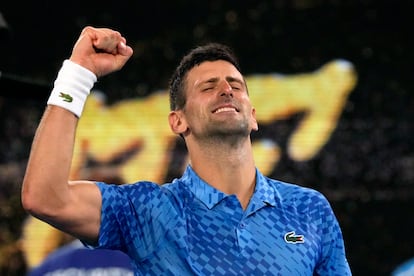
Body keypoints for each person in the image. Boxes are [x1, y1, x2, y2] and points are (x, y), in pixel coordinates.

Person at [21, 26, 351, 275]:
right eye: (208, 87)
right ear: (178, 122)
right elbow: (45, 197)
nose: (225, 90)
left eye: (235, 85)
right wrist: (77, 75)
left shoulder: (309, 209)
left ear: (253, 116)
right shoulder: (147, 211)